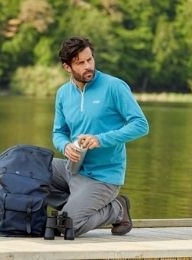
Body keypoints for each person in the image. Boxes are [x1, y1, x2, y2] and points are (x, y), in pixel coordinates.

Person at [47, 36, 149, 237]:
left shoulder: (114, 86)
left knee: (67, 227)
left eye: (90, 59)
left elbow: (141, 125)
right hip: (72, 170)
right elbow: (58, 132)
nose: (88, 66)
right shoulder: (63, 93)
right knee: (28, 170)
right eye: (81, 63)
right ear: (67, 67)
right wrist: (65, 146)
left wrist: (100, 139)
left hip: (103, 177)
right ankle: (75, 202)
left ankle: (117, 209)